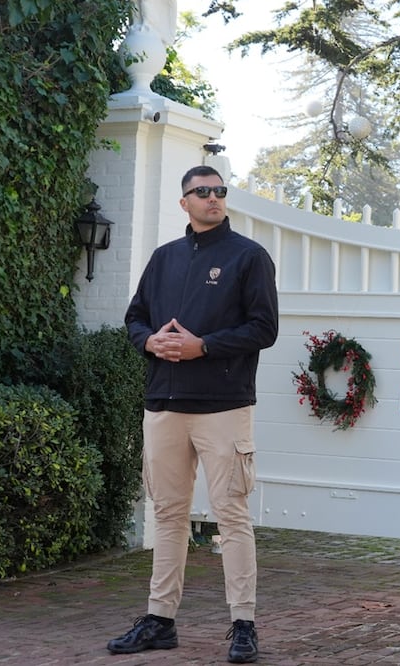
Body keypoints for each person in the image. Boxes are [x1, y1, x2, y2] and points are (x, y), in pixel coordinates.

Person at [108, 165, 279, 663]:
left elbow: (264, 328)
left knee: (232, 515)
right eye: (202, 192)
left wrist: (204, 346)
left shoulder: (249, 257)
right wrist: (150, 341)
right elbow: (134, 318)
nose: (213, 198)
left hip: (223, 407)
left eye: (219, 192)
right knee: (167, 514)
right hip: (163, 405)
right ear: (184, 202)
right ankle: (160, 620)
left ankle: (243, 624)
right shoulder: (164, 259)